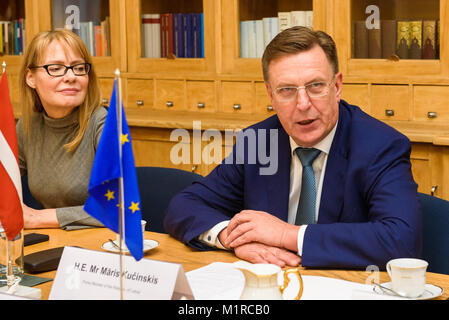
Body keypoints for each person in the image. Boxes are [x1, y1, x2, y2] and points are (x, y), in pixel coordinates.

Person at [164, 26, 422, 269]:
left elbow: (401, 239)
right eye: (287, 90)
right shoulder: (258, 141)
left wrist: (287, 234)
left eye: (316, 86)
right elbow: (184, 205)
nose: (302, 104)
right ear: (270, 95)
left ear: (337, 86)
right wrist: (234, 239)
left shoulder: (380, 146)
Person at [16, 29, 106, 229]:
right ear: (31, 78)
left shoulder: (105, 125)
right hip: (51, 243)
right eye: (55, 68)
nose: (71, 76)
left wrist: (37, 218)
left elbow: (117, 207)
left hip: (101, 246)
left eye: (78, 67)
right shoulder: (29, 125)